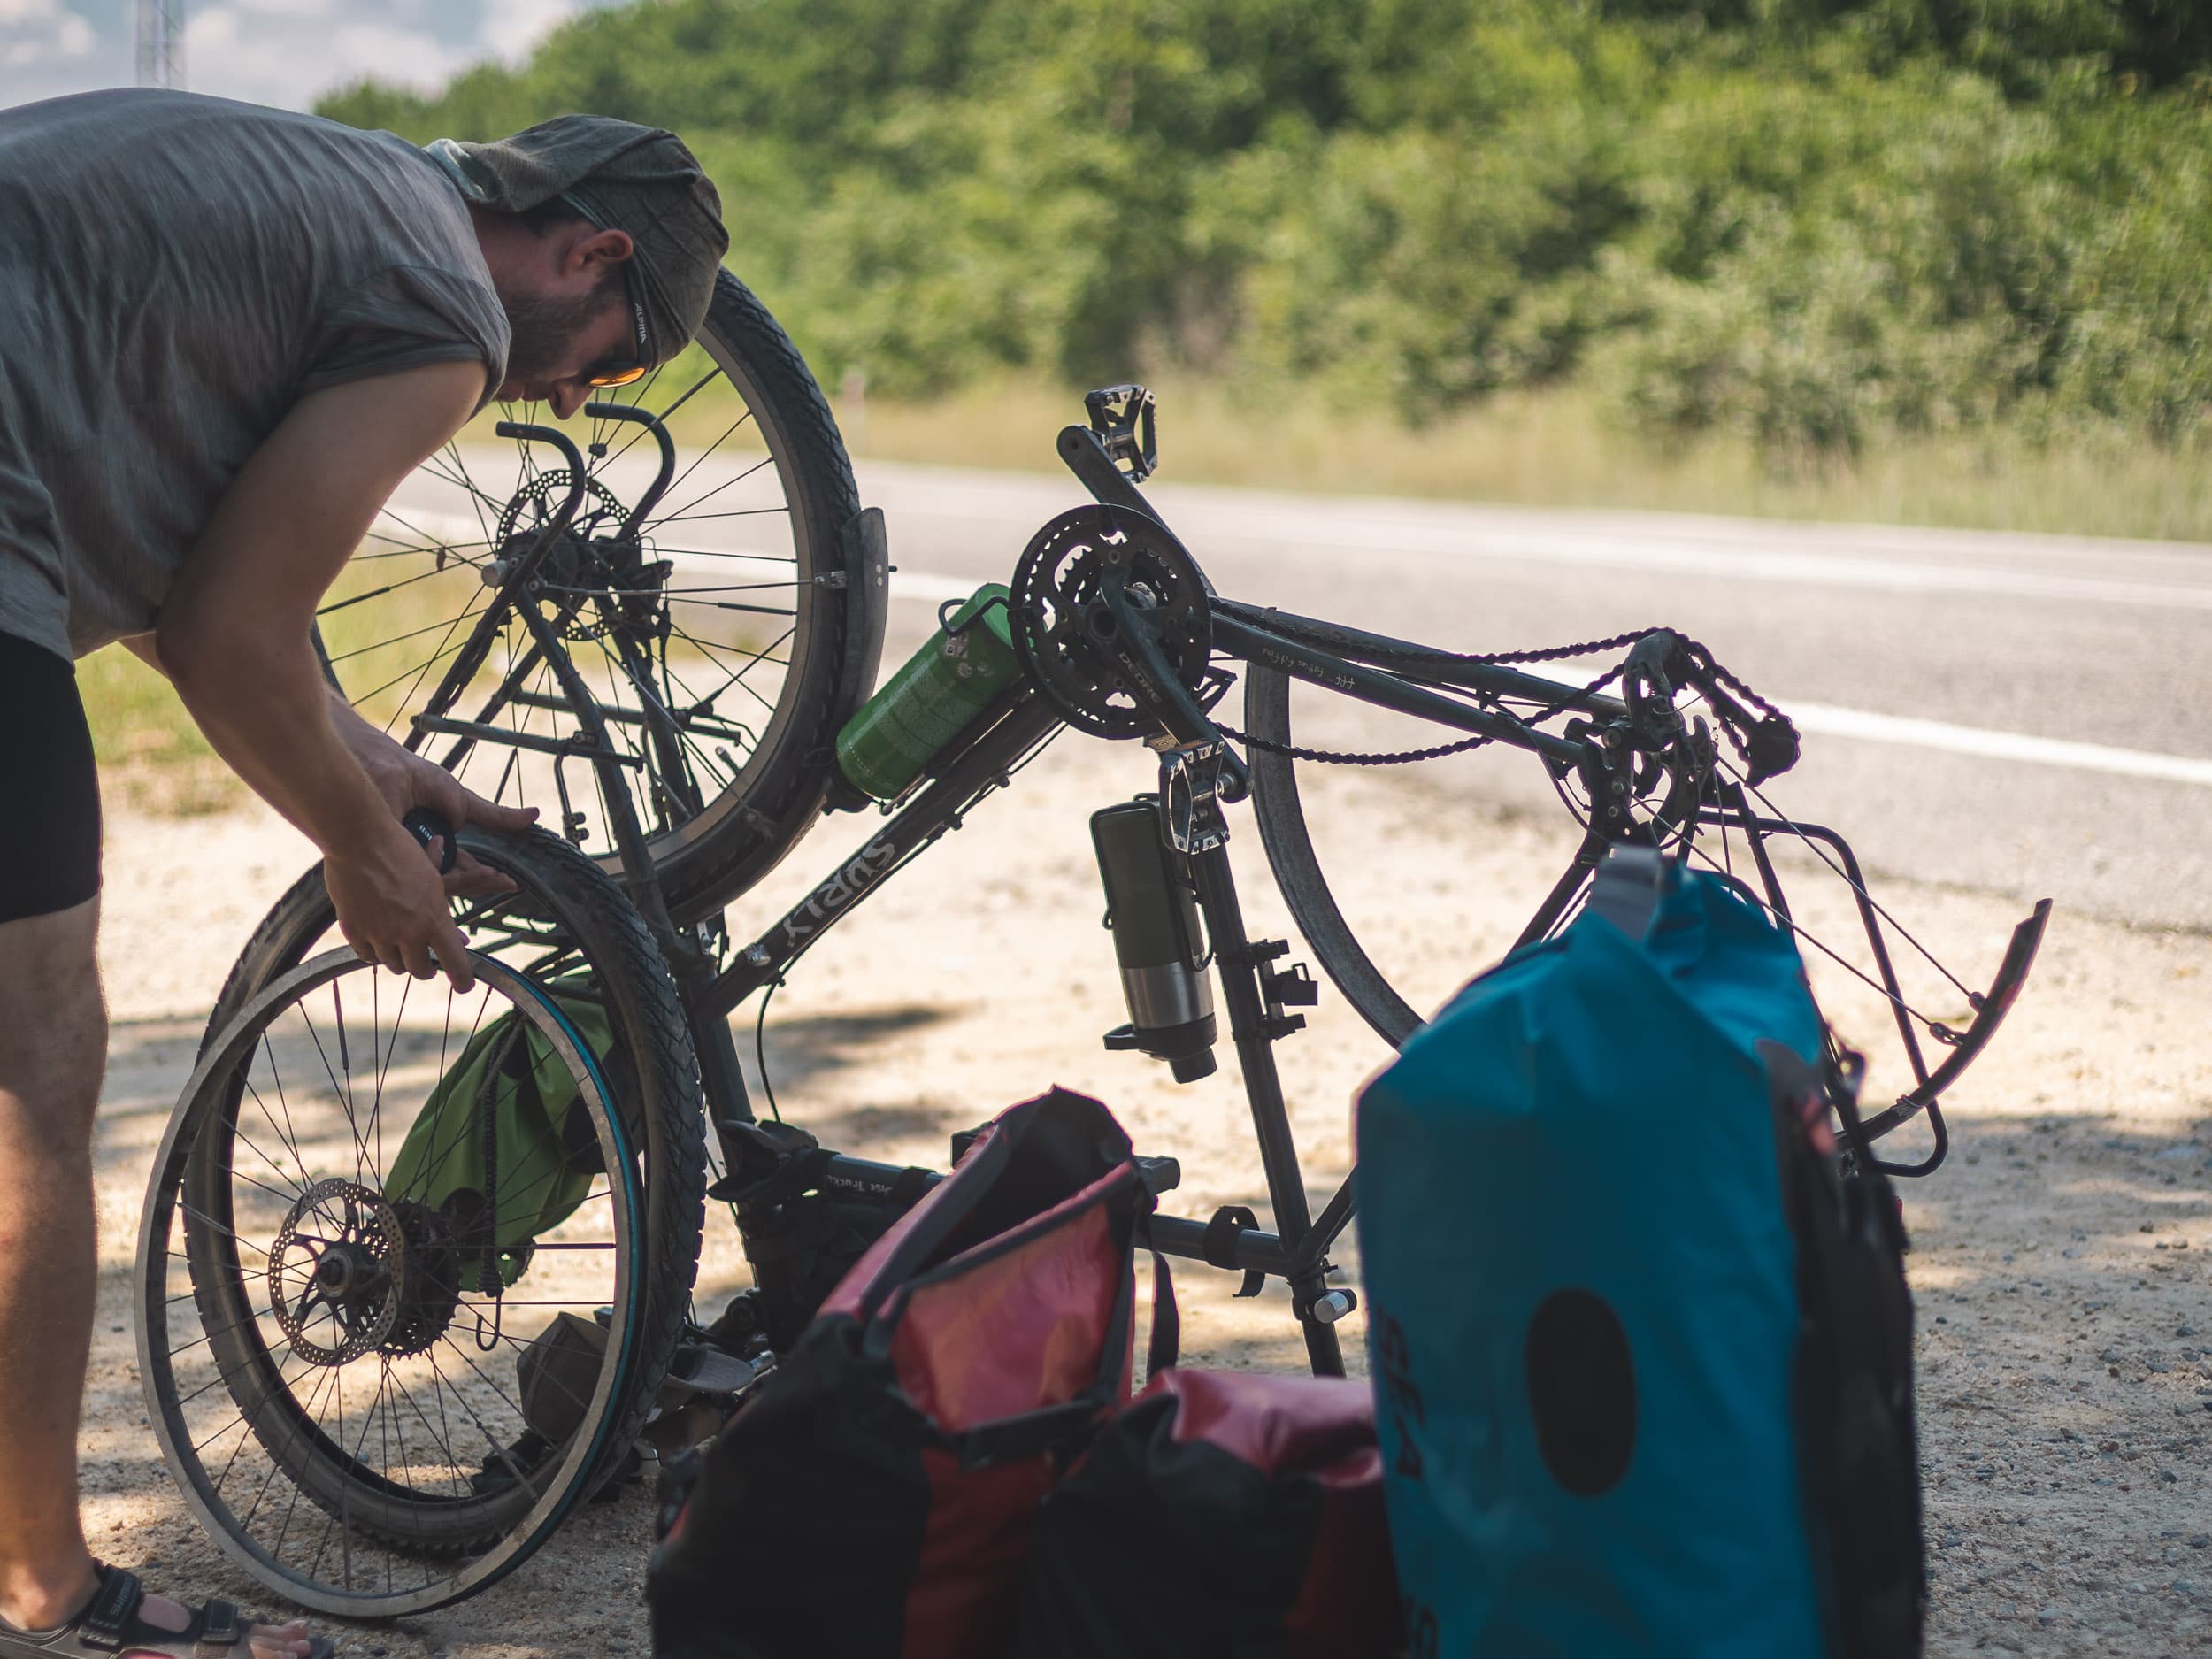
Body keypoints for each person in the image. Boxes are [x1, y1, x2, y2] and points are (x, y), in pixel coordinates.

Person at [0, 88, 728, 1659]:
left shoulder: (341, 192)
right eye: (610, 361)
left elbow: (180, 568)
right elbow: (225, 640)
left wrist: (376, 774)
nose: (579, 398)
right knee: (32, 1066)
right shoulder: (448, 308)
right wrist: (361, 852)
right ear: (585, 251)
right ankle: (46, 1585)